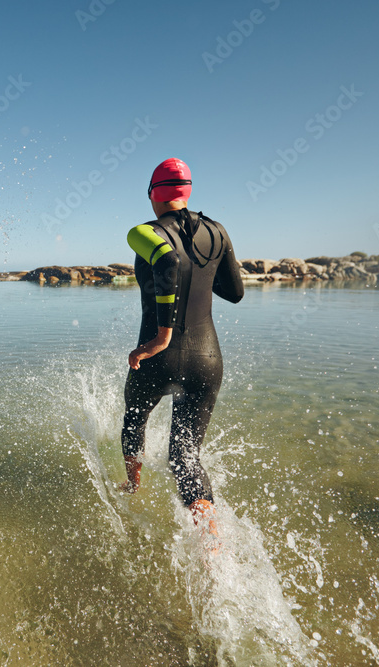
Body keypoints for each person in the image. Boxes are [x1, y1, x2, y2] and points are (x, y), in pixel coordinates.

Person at [119, 158, 244, 529]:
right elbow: (235, 292)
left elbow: (168, 262)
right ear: (186, 192)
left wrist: (162, 336)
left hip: (157, 356)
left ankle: (131, 485)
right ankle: (212, 540)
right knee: (185, 457)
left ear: (153, 195)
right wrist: (202, 275)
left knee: (134, 419)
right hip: (207, 359)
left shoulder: (142, 232)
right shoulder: (217, 231)